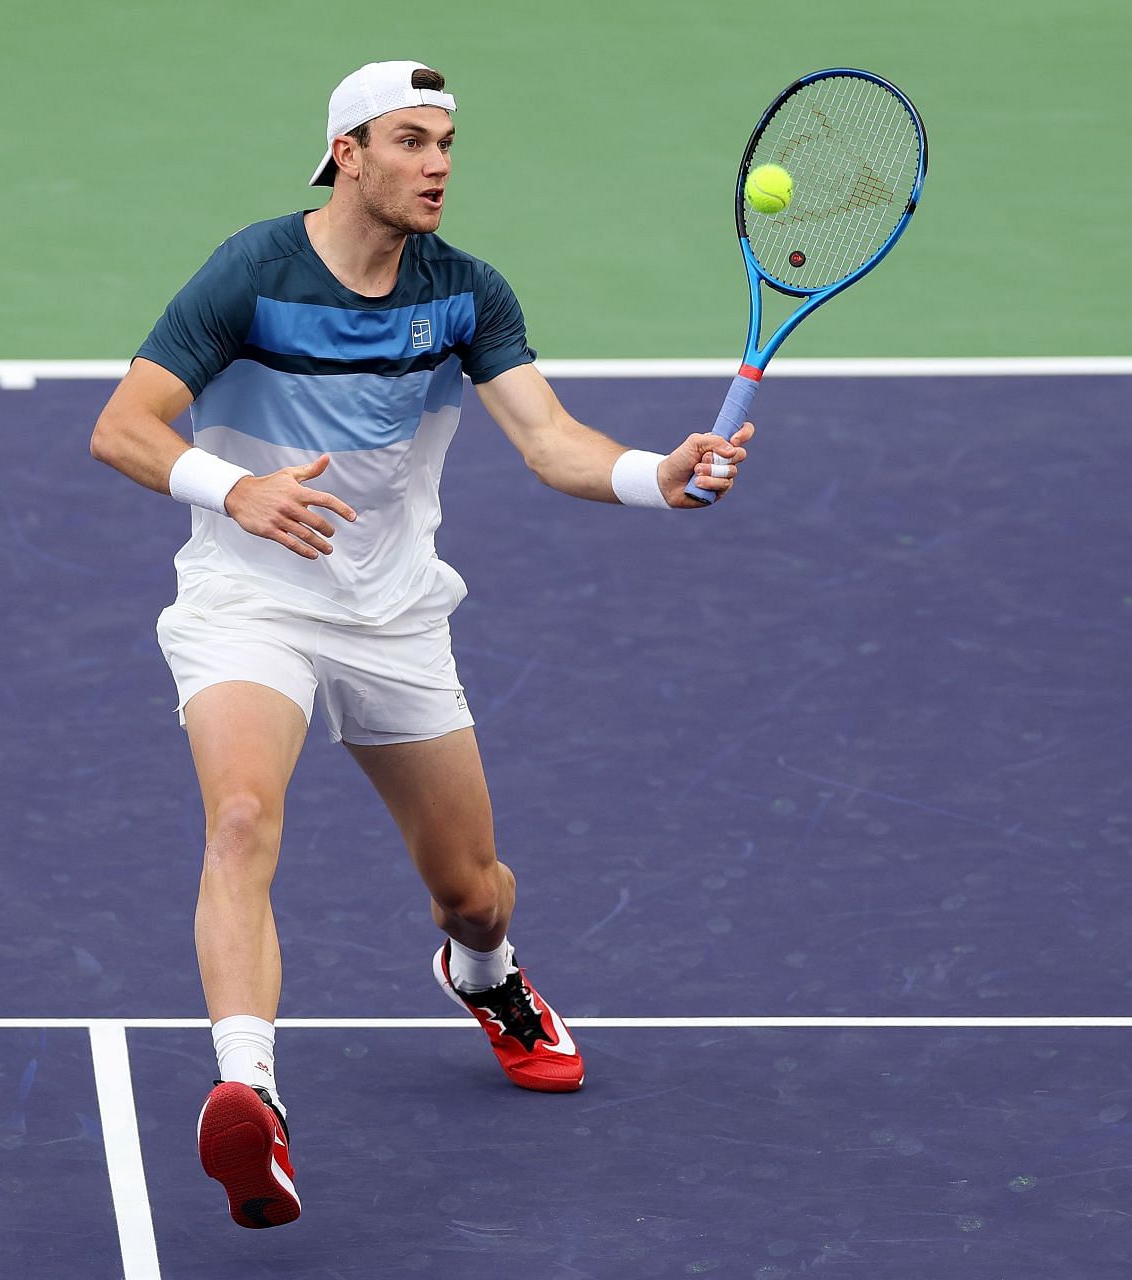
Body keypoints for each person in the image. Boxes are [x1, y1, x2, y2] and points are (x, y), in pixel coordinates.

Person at [88, 60, 755, 1230]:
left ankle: (483, 977)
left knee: (473, 891)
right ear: (346, 153)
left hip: (396, 614)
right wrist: (234, 489)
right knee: (241, 815)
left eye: (446, 142)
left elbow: (549, 442)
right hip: (252, 601)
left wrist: (661, 476)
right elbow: (123, 427)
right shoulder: (251, 270)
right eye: (410, 141)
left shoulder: (465, 293)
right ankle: (251, 1092)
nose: (438, 163)